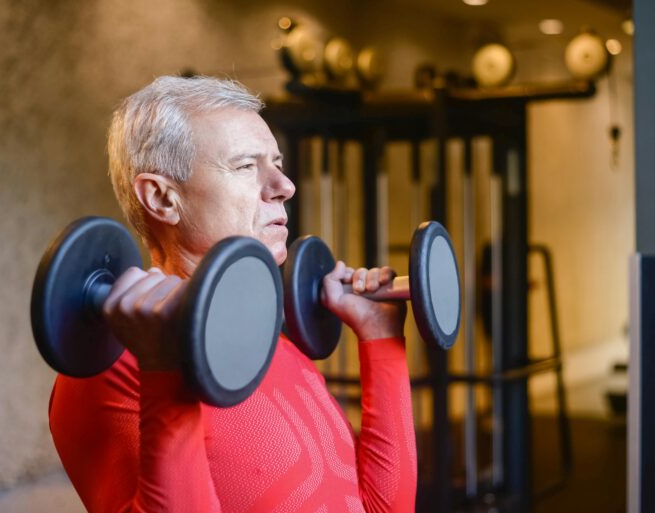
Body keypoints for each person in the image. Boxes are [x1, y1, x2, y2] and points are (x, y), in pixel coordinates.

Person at [48, 76, 417, 513]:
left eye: (276, 163)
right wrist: (166, 371)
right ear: (163, 198)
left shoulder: (270, 345)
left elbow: (382, 509)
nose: (285, 185)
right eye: (246, 166)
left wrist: (381, 341)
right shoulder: (111, 368)